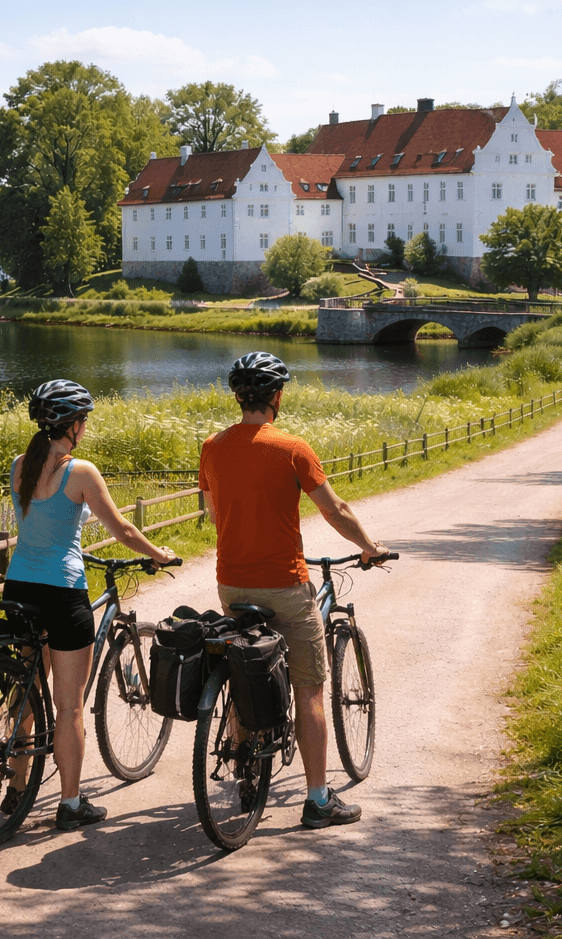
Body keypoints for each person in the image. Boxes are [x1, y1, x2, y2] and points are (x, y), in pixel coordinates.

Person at [197, 352, 389, 829]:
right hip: (284, 582)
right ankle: (319, 798)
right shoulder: (292, 448)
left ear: (238, 397)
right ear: (277, 397)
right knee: (310, 688)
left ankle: (245, 760)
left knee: (246, 664)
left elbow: (213, 513)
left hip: (231, 582)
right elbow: (335, 509)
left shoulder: (211, 447)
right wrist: (369, 546)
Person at [5, 379, 176, 830]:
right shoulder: (80, 472)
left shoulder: (21, 465)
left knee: (29, 684)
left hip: (18, 586)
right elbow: (122, 529)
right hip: (62, 593)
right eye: (84, 421)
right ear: (74, 426)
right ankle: (70, 803)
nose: (86, 428)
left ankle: (17, 786)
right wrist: (160, 554)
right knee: (70, 706)